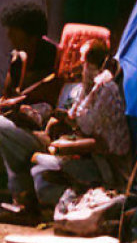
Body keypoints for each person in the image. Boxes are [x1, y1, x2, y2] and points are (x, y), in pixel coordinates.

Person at [0, 2, 58, 217]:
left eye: (13, 31)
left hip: (43, 131)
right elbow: (9, 95)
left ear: (31, 36)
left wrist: (18, 108)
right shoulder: (19, 58)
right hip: (22, 122)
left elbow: (46, 99)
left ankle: (14, 193)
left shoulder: (52, 61)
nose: (9, 36)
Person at [31, 39, 131, 210]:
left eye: (84, 61)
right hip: (90, 154)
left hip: (106, 163)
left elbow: (97, 141)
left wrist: (64, 147)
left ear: (93, 64)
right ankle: (75, 192)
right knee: (38, 168)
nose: (81, 65)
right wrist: (59, 118)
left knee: (40, 168)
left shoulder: (106, 89)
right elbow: (76, 117)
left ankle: (83, 195)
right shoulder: (87, 88)